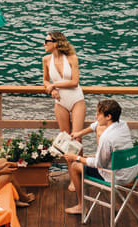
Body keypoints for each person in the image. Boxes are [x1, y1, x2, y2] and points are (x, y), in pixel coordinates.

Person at [64, 99, 138, 214]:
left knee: (75, 166)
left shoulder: (106, 137)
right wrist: (79, 133)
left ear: (108, 116)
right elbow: (96, 125)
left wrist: (76, 158)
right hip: (132, 171)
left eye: (98, 114)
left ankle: (81, 206)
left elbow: (98, 164)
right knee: (89, 161)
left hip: (116, 177)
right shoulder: (123, 124)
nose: (96, 116)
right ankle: (85, 188)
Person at [42, 31, 86, 191]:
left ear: (56, 42)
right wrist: (50, 88)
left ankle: (80, 175)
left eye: (46, 41)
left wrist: (54, 85)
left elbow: (75, 82)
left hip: (76, 100)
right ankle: (73, 178)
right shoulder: (46, 59)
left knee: (76, 140)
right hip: (60, 102)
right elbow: (45, 79)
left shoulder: (72, 58)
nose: (44, 44)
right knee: (66, 141)